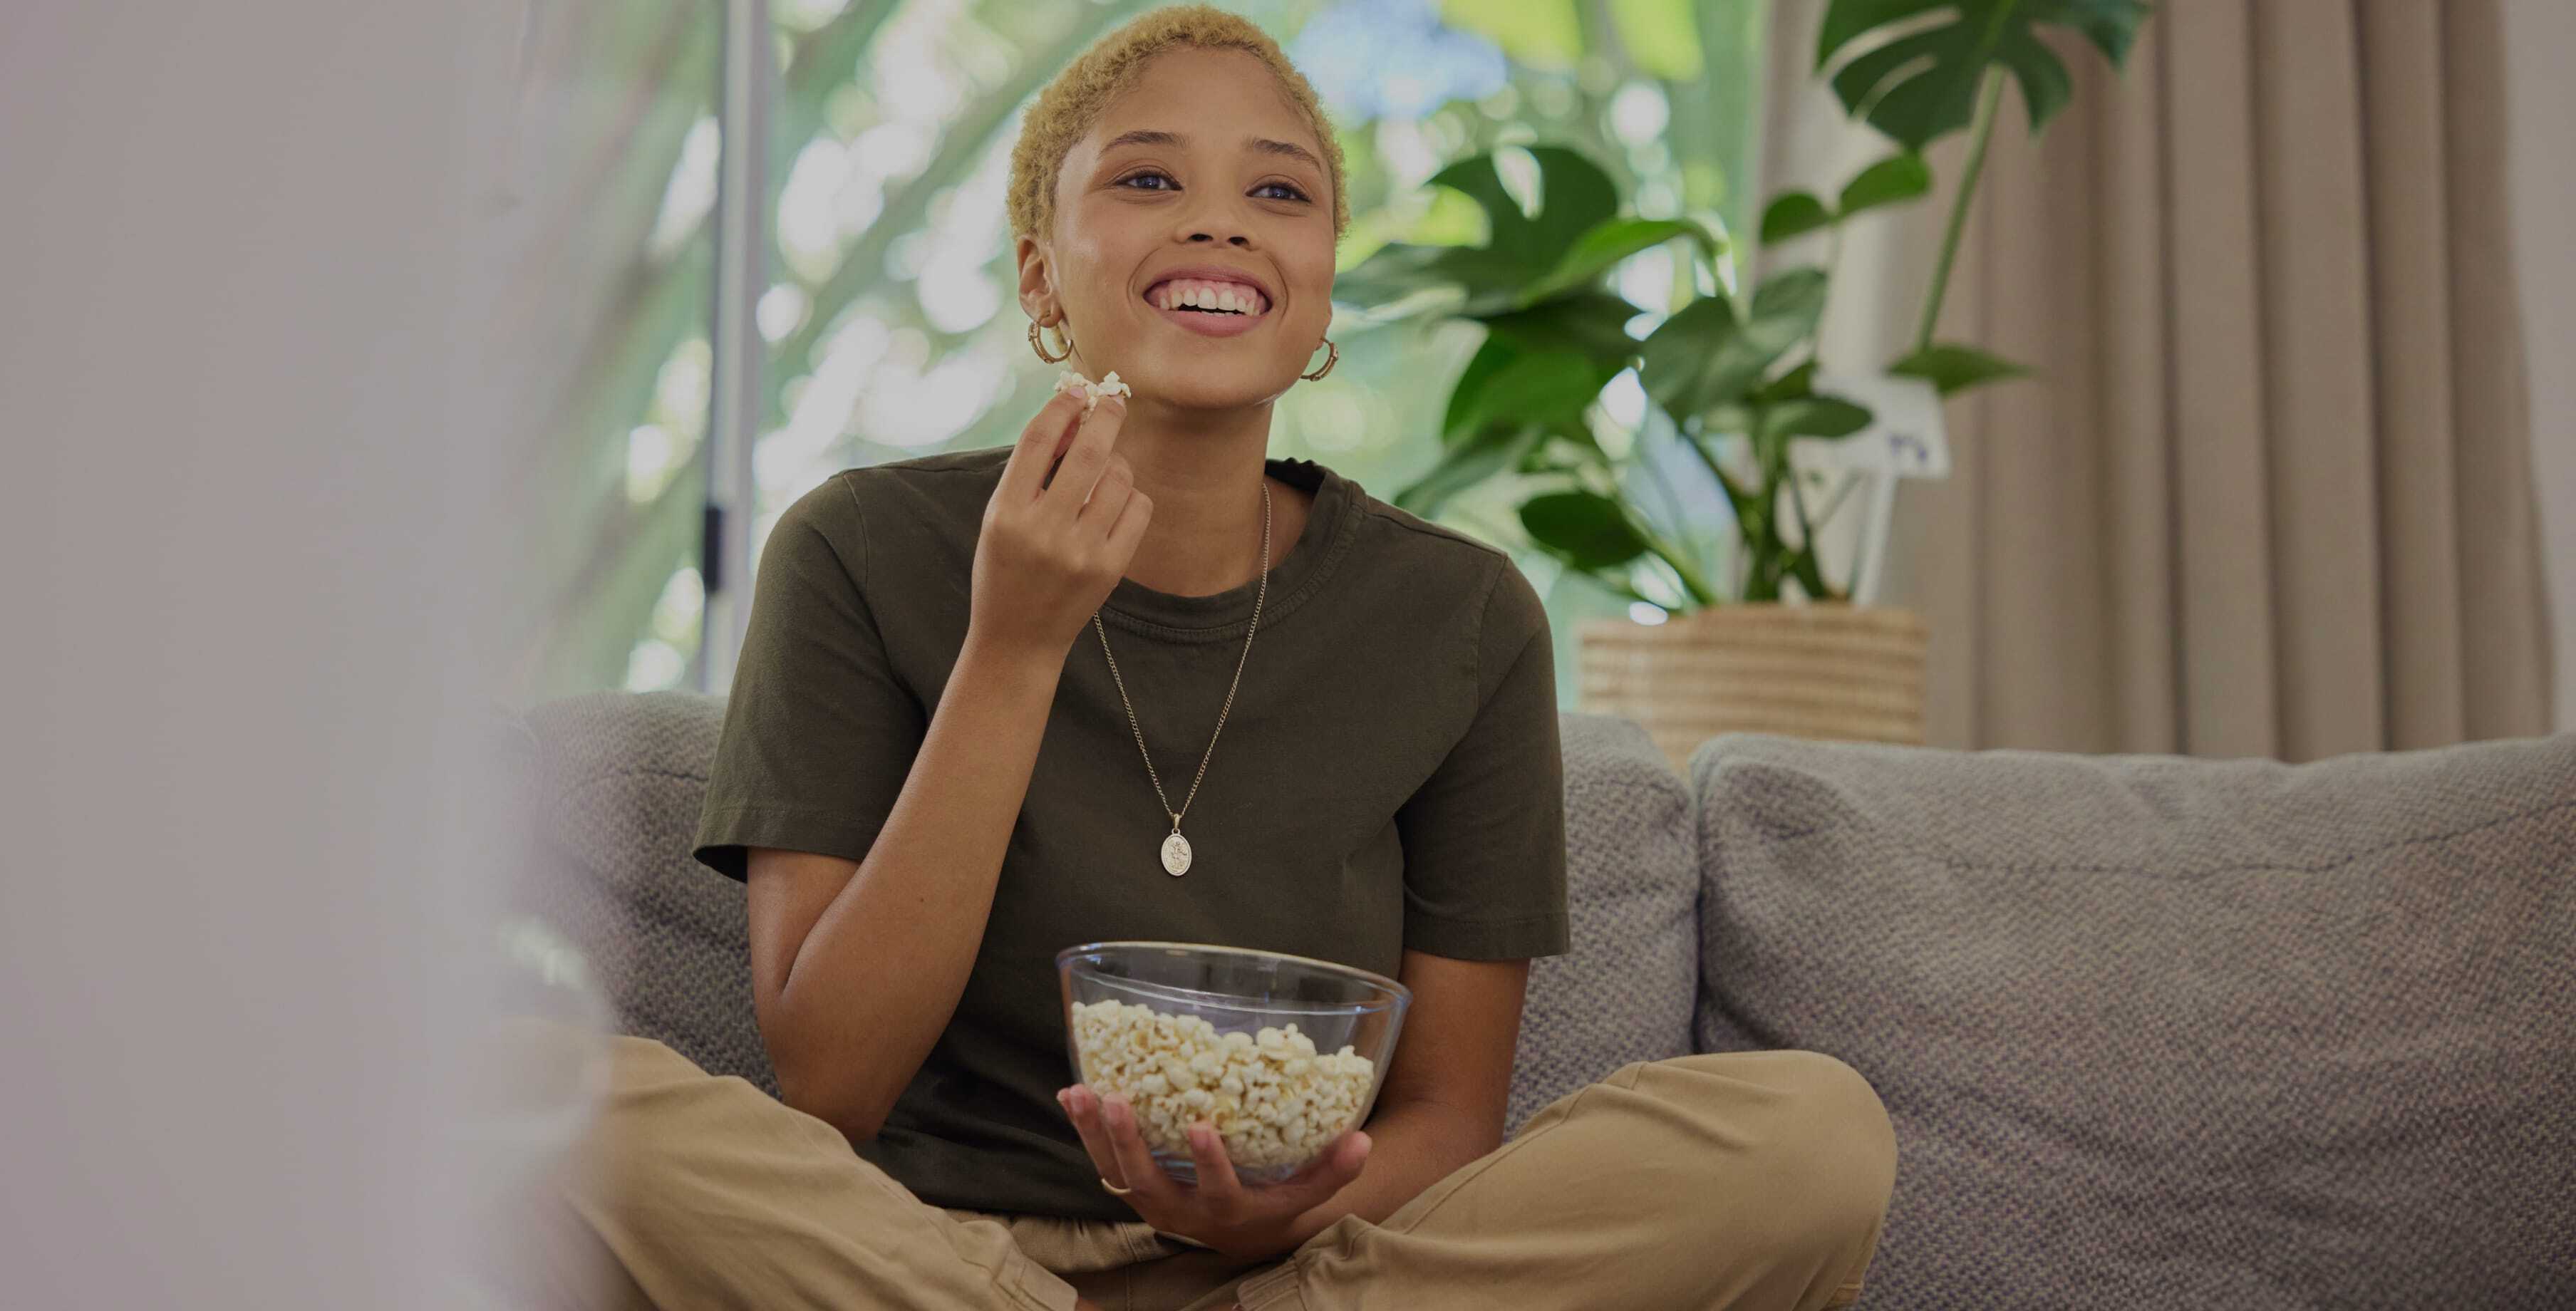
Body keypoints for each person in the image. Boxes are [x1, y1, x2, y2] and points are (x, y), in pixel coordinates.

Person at [552, 7, 1896, 1309]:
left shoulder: (1462, 615)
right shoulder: (857, 549)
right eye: (1147, 177)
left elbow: (1445, 1115)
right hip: (928, 1260)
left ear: (1318, 303)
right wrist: (1014, 646)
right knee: (530, 1094)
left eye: (1281, 192)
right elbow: (831, 1082)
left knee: (1808, 1136)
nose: (1219, 221)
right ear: (1041, 276)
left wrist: (1289, 1216)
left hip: (1307, 1277)